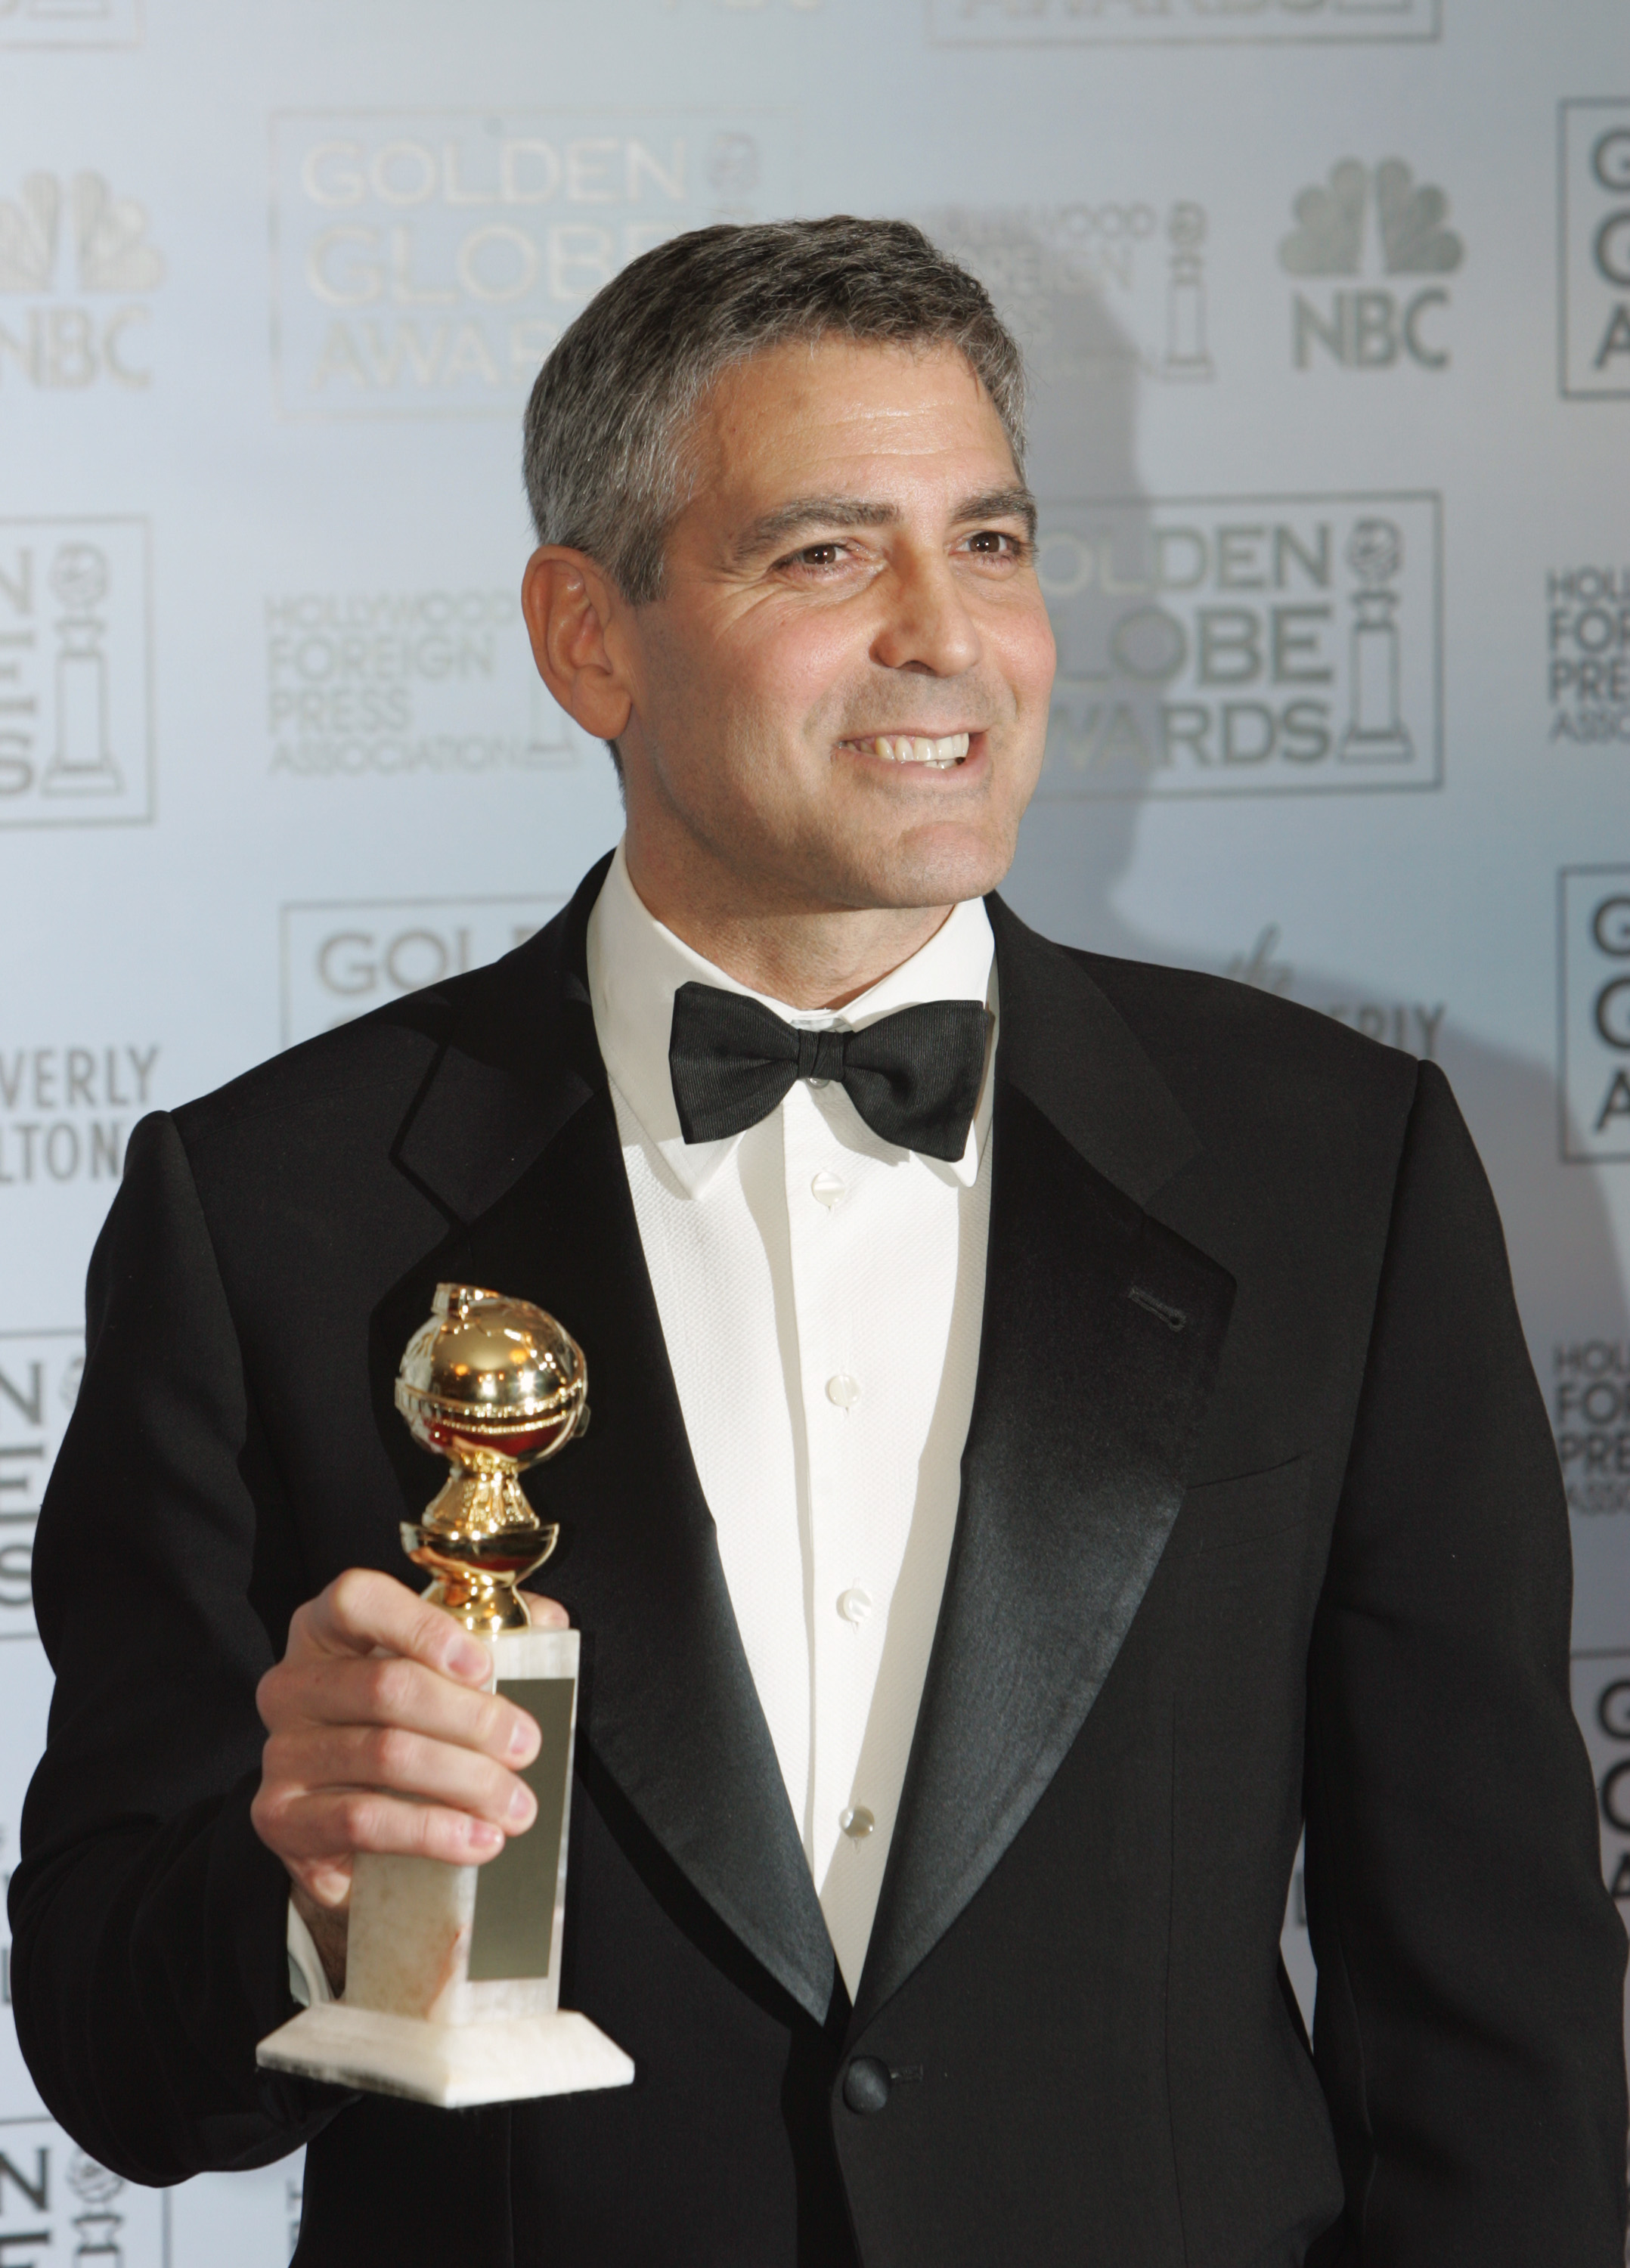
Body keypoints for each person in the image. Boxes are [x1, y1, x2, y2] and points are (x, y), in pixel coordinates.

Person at [10, 217, 1625, 2268]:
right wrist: (314, 1893)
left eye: (993, 541)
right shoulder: (269, 1213)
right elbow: (104, 2045)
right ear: (588, 635)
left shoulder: (1335, 1168)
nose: (946, 635)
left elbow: (1490, 2013)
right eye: (823, 554)